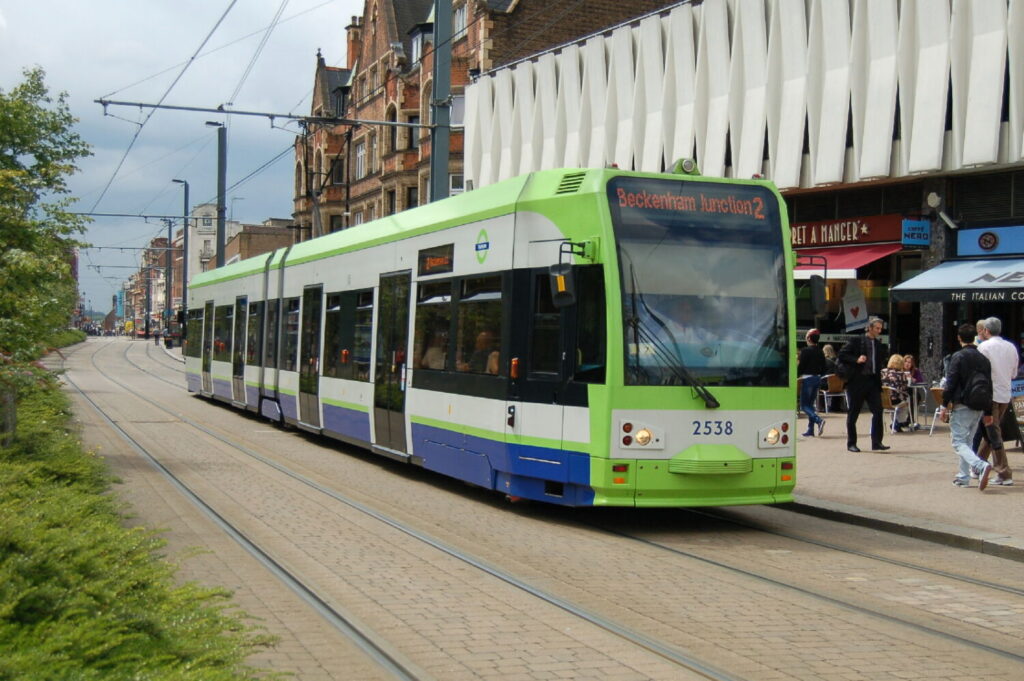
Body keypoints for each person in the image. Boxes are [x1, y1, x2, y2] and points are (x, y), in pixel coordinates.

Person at [940, 323, 994, 490]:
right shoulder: (984, 359)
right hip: (979, 405)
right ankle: (963, 477)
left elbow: (951, 382)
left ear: (959, 337)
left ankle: (979, 465)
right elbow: (989, 385)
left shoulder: (958, 357)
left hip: (962, 404)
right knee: (968, 442)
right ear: (974, 337)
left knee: (958, 442)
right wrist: (989, 411)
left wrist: (944, 405)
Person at [975, 316, 1016, 485]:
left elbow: (979, 372)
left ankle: (1004, 472)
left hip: (990, 395)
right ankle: (977, 465)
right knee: (990, 431)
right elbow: (1013, 373)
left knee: (993, 433)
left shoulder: (984, 347)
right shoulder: (1011, 347)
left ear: (986, 331)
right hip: (1005, 394)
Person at [838, 316, 889, 452]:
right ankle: (851, 443)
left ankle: (877, 442)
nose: (879, 331)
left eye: (880, 329)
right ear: (870, 328)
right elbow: (842, 355)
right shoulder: (856, 341)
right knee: (854, 412)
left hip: (872, 382)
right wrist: (856, 359)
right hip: (857, 382)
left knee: (878, 411)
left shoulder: (878, 344)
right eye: (877, 328)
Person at [797, 329, 827, 437]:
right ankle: (810, 430)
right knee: (810, 405)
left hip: (808, 379)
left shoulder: (805, 351)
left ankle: (818, 420)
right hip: (817, 379)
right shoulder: (820, 351)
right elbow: (824, 367)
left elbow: (801, 367)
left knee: (804, 406)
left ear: (809, 338)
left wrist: (796, 375)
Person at [881, 354, 911, 431]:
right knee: (905, 402)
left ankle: (895, 422)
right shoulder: (901, 374)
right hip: (895, 400)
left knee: (895, 401)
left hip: (882, 400)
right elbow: (905, 388)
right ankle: (899, 422)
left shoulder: (883, 372)